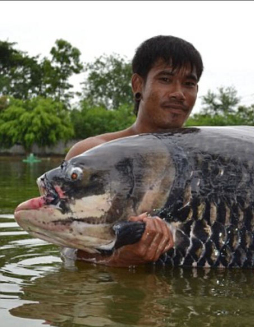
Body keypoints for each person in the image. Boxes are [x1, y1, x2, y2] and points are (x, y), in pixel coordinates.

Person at [63, 35, 203, 267]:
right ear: (138, 84)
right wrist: (119, 261)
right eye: (166, 79)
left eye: (189, 84)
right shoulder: (94, 154)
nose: (179, 93)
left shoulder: (205, 157)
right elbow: (69, 252)